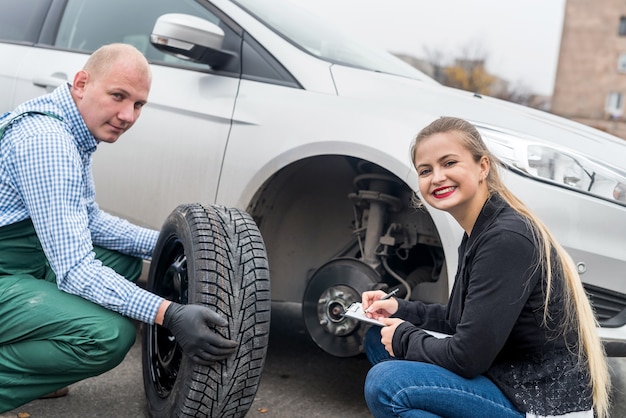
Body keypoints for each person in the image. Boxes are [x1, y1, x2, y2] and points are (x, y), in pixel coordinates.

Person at [0, 43, 237, 412]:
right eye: (118, 96)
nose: (127, 115)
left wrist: (182, 243)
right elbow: (76, 270)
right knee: (107, 336)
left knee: (123, 261)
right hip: (7, 272)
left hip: (17, 264)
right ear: (81, 83)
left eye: (138, 104)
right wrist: (167, 314)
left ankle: (35, 363)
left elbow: (90, 221)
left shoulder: (70, 131)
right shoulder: (47, 142)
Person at [361, 117, 610, 418]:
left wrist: (404, 336)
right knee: (378, 339)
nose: (437, 177)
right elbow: (461, 321)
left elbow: (467, 356)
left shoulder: (505, 238)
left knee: (387, 384)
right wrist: (398, 309)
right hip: (505, 377)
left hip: (535, 401)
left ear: (483, 167)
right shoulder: (478, 231)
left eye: (449, 163)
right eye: (425, 170)